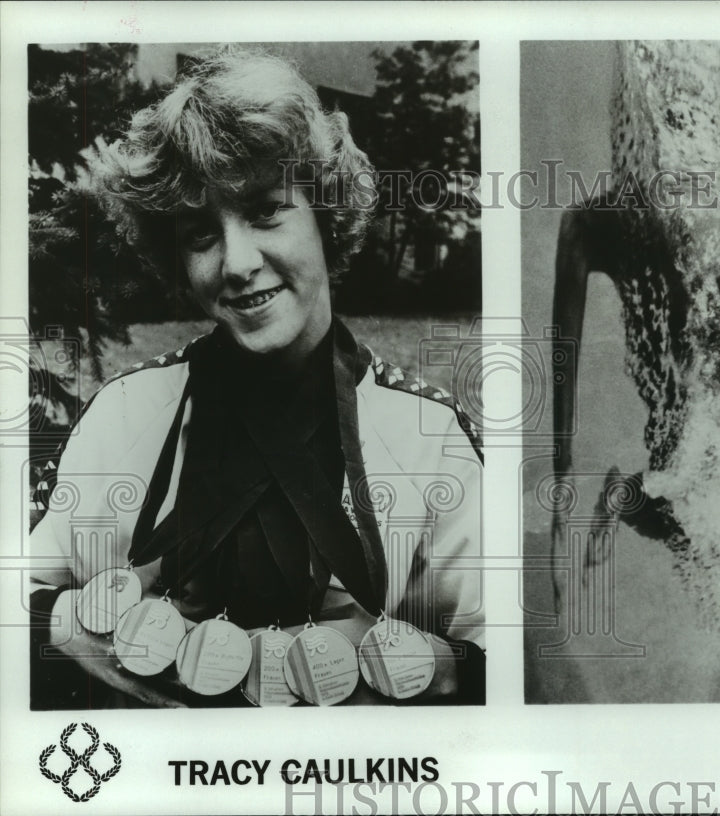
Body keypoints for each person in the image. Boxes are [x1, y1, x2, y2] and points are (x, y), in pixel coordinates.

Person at [28, 48, 484, 708]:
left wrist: (432, 667)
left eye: (267, 209)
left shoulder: (428, 437)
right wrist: (74, 629)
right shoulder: (124, 414)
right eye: (200, 233)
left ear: (326, 218)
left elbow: (499, 663)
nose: (238, 262)